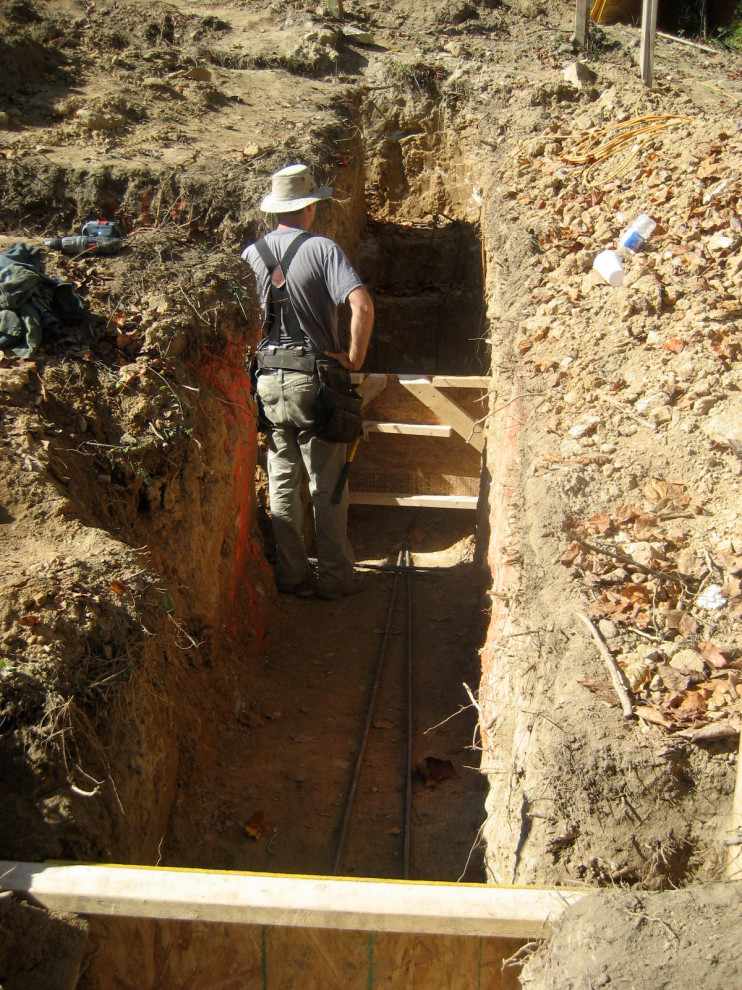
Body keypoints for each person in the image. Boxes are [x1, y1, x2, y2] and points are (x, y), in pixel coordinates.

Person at [241, 163, 374, 599]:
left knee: (281, 483)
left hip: (266, 383)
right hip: (313, 384)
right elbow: (362, 305)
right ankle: (335, 581)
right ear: (310, 206)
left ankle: (291, 577)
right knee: (327, 486)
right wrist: (353, 358)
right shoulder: (322, 250)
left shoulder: (251, 255)